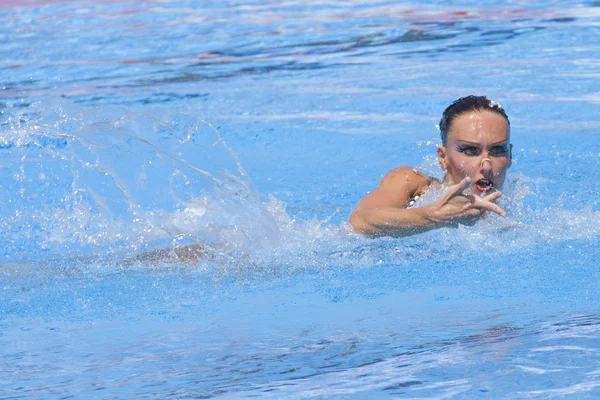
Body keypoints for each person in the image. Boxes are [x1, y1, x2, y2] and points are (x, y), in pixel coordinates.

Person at [349, 95, 512, 237]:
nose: (486, 165)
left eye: (497, 150)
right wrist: (434, 217)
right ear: (443, 157)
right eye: (470, 150)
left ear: (510, 156)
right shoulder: (414, 185)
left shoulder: (512, 210)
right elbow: (358, 222)